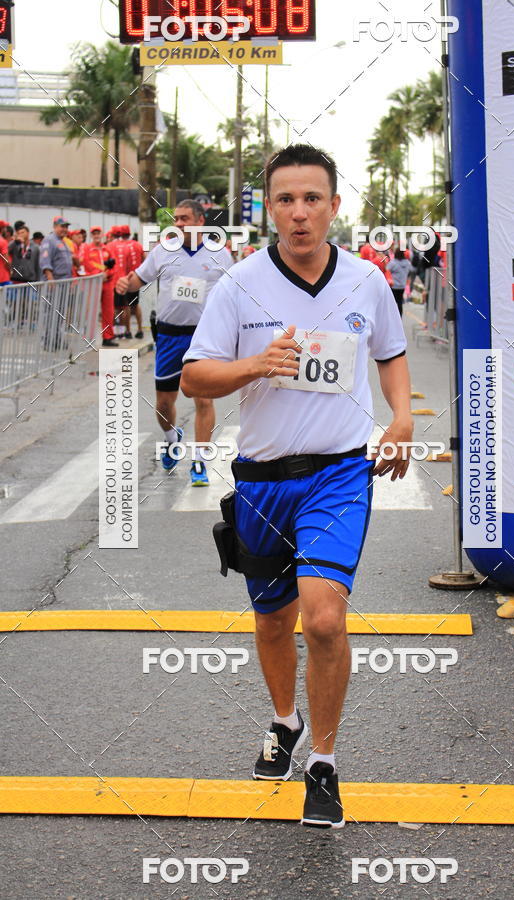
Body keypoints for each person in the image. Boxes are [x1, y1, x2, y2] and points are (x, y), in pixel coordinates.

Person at [180, 144, 413, 828]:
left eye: (313, 198)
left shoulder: (366, 281)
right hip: (261, 478)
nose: (300, 211)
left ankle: (324, 762)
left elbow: (392, 356)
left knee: (324, 617)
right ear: (269, 209)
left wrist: (401, 416)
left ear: (335, 205)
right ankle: (284, 721)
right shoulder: (239, 283)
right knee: (273, 617)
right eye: (286, 199)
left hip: (338, 474)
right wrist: (255, 365)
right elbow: (195, 377)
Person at [116, 199, 233, 486]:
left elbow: (235, 292)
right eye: (176, 219)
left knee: (204, 400)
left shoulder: (221, 254)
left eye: (184, 218)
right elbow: (138, 280)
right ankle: (171, 439)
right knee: (164, 403)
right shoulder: (162, 251)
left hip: (204, 337)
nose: (178, 223)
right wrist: (125, 284)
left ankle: (200, 463)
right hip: (169, 335)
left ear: (200, 221)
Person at [39, 216, 75, 351]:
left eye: (66, 226)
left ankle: (57, 338)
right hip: (54, 284)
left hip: (63, 283)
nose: (64, 229)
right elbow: (45, 261)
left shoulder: (63, 241)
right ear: (55, 226)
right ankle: (48, 341)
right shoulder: (49, 240)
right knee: (51, 313)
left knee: (59, 313)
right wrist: (50, 279)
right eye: (62, 226)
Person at [81, 226, 118, 347]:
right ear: (91, 235)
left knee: (108, 311)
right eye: (94, 233)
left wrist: (107, 274)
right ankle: (89, 338)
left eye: (98, 233)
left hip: (107, 283)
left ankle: (107, 337)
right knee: (91, 312)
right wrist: (98, 275)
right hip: (93, 284)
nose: (96, 236)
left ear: (102, 235)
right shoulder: (87, 249)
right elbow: (85, 265)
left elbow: (114, 265)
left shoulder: (106, 249)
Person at [121, 224, 145, 338]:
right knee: (136, 305)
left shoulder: (121, 246)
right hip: (136, 278)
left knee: (126, 306)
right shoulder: (138, 245)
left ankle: (128, 331)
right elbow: (145, 259)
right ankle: (140, 330)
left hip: (125, 279)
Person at [386, 248, 411, 317]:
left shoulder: (393, 262)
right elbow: (409, 271)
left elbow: (387, 270)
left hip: (393, 285)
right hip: (402, 285)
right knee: (400, 302)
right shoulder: (407, 263)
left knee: (392, 303)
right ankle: (400, 317)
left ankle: (392, 317)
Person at [0, 221, 12, 286]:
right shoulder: (2, 241)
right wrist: (10, 270)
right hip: (3, 279)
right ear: (2, 229)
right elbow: (6, 260)